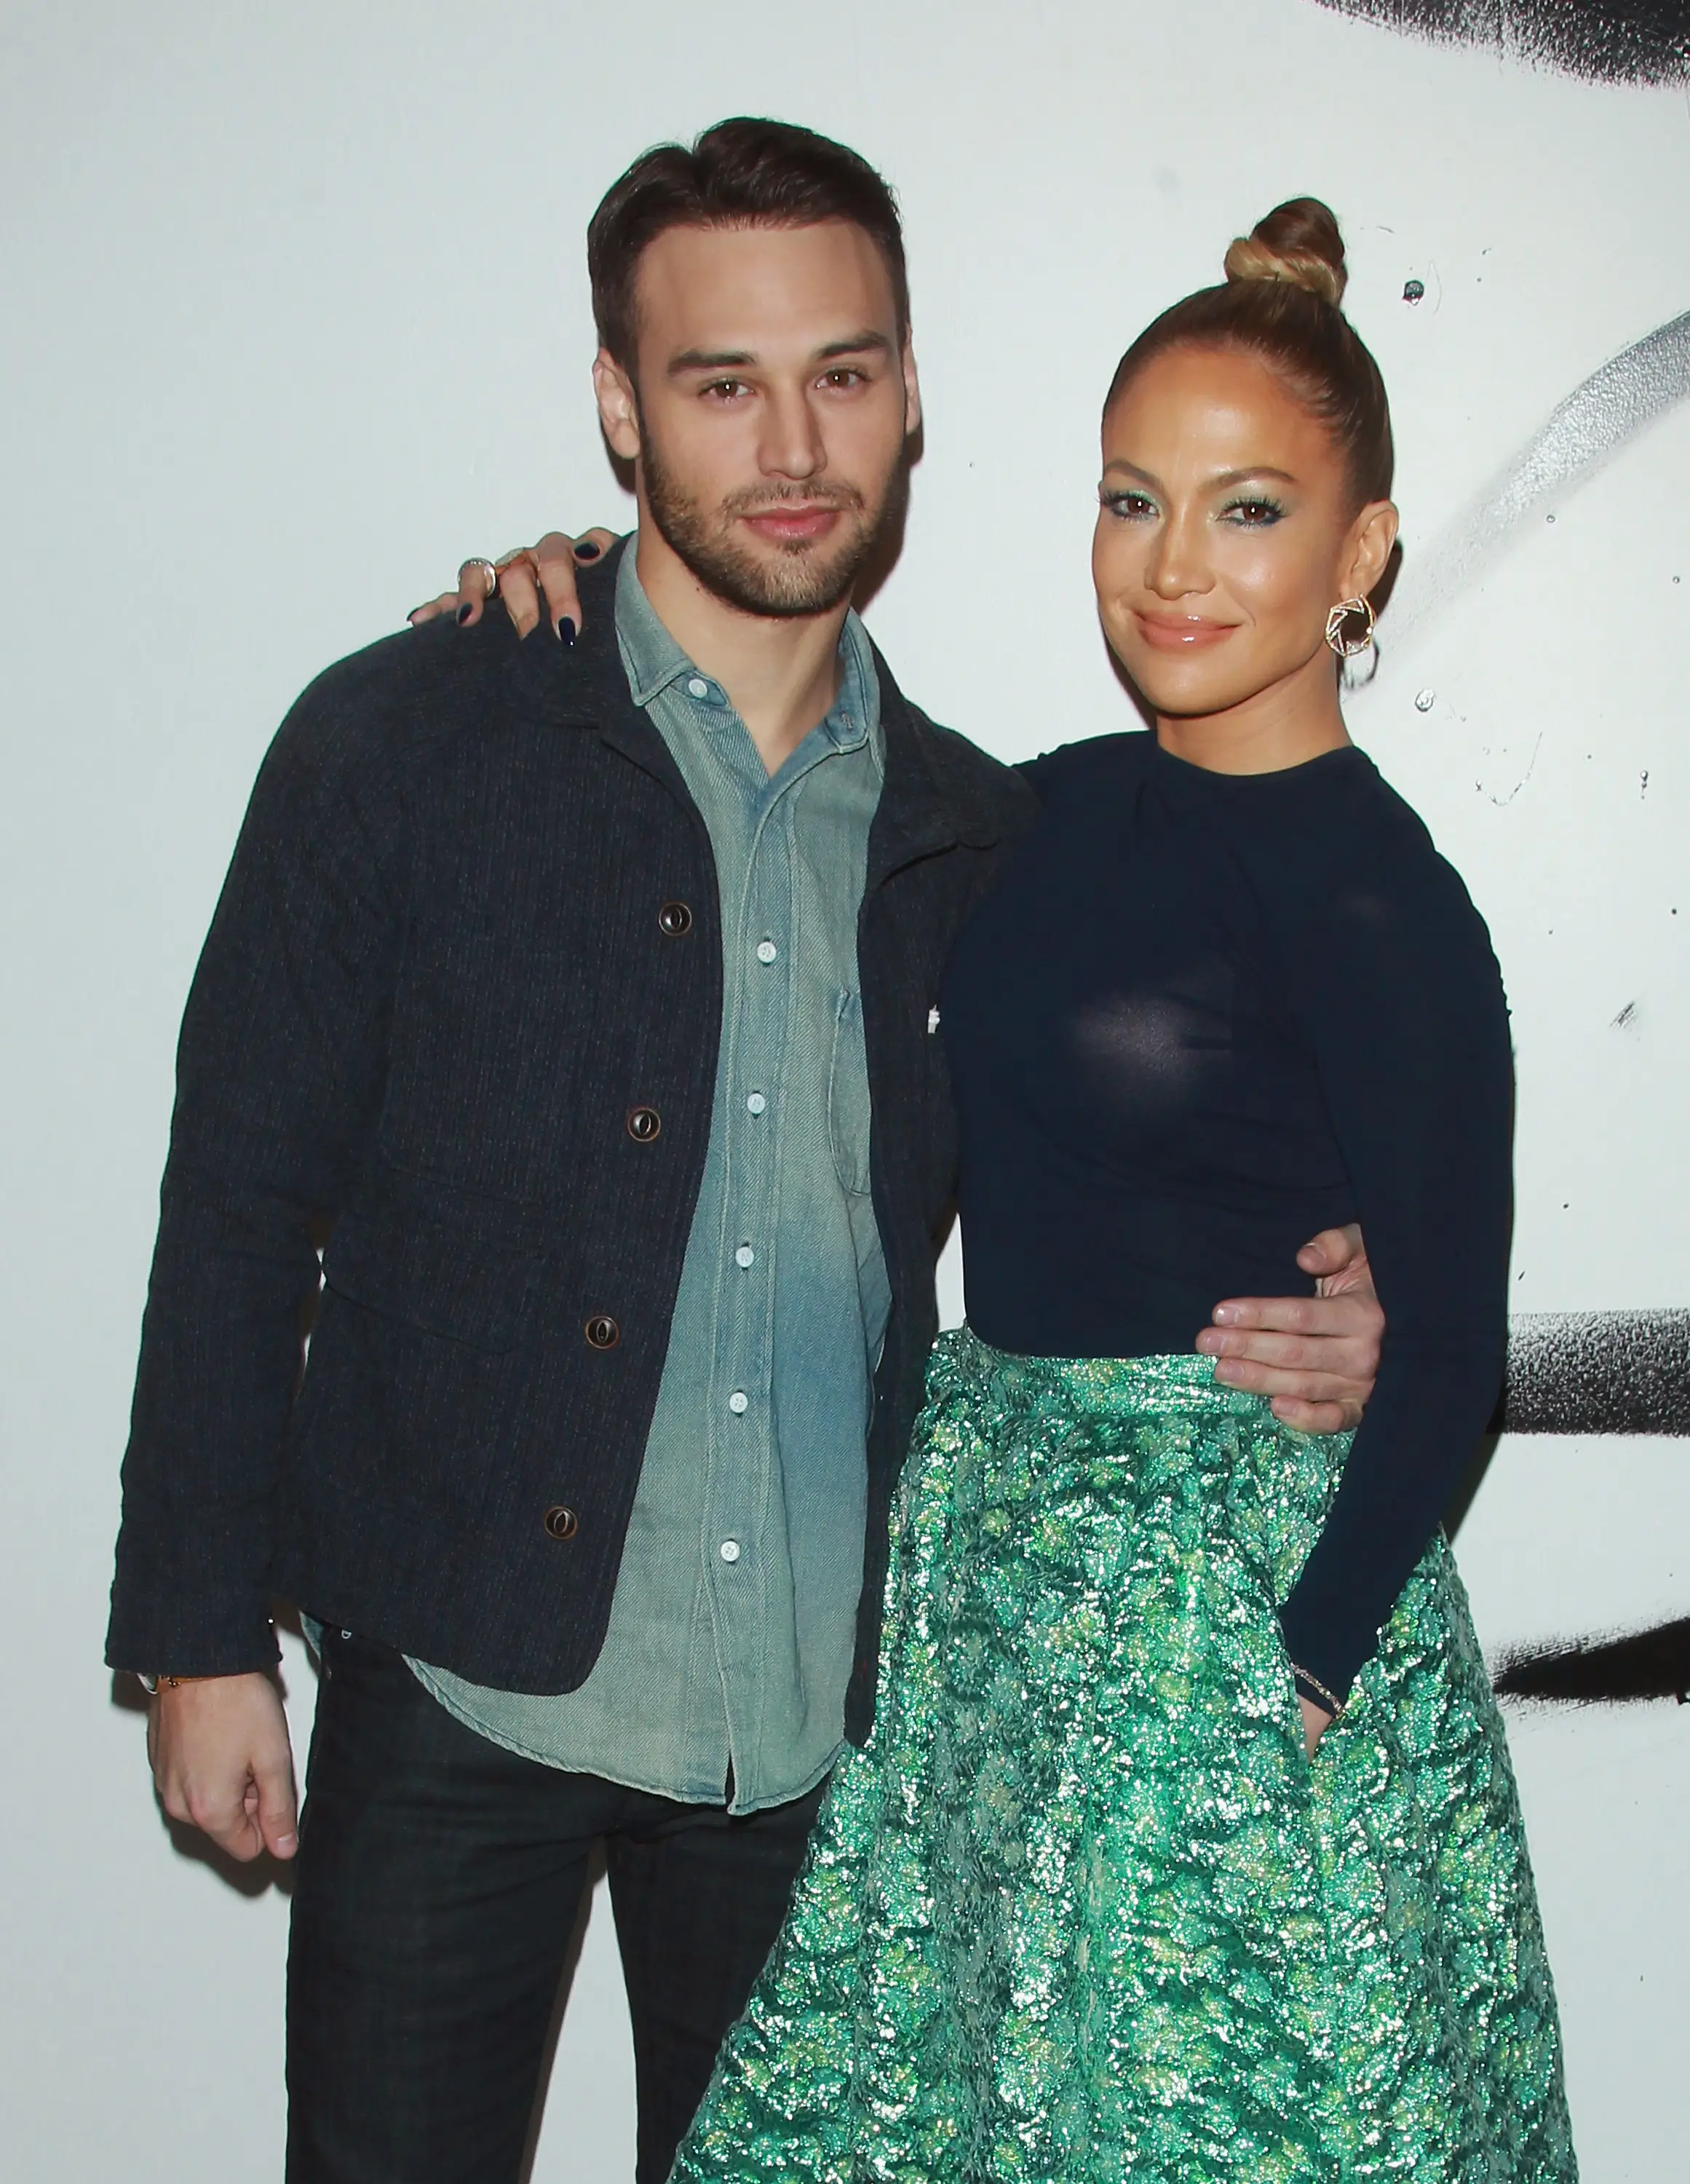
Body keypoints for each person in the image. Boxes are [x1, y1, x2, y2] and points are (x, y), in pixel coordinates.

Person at [106, 124, 1383, 2184]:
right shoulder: (412, 738)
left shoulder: (996, 840)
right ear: (622, 406)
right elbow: (241, 1195)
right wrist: (192, 1638)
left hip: (821, 1740)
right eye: (722, 382)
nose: (793, 441)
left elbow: (1196, 1143)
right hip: (459, 1688)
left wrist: (1368, 1301)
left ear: (910, 391)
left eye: (846, 372)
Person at [660, 201, 1575, 2181]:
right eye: (1131, 500)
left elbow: (1452, 1355)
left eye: (1247, 513)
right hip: (993, 1581)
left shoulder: (1383, 897)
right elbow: (751, 687)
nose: (1173, 568)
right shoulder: (1037, 801)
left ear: (1361, 556)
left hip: (1224, 1611)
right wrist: (564, 573)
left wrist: (1309, 1665)